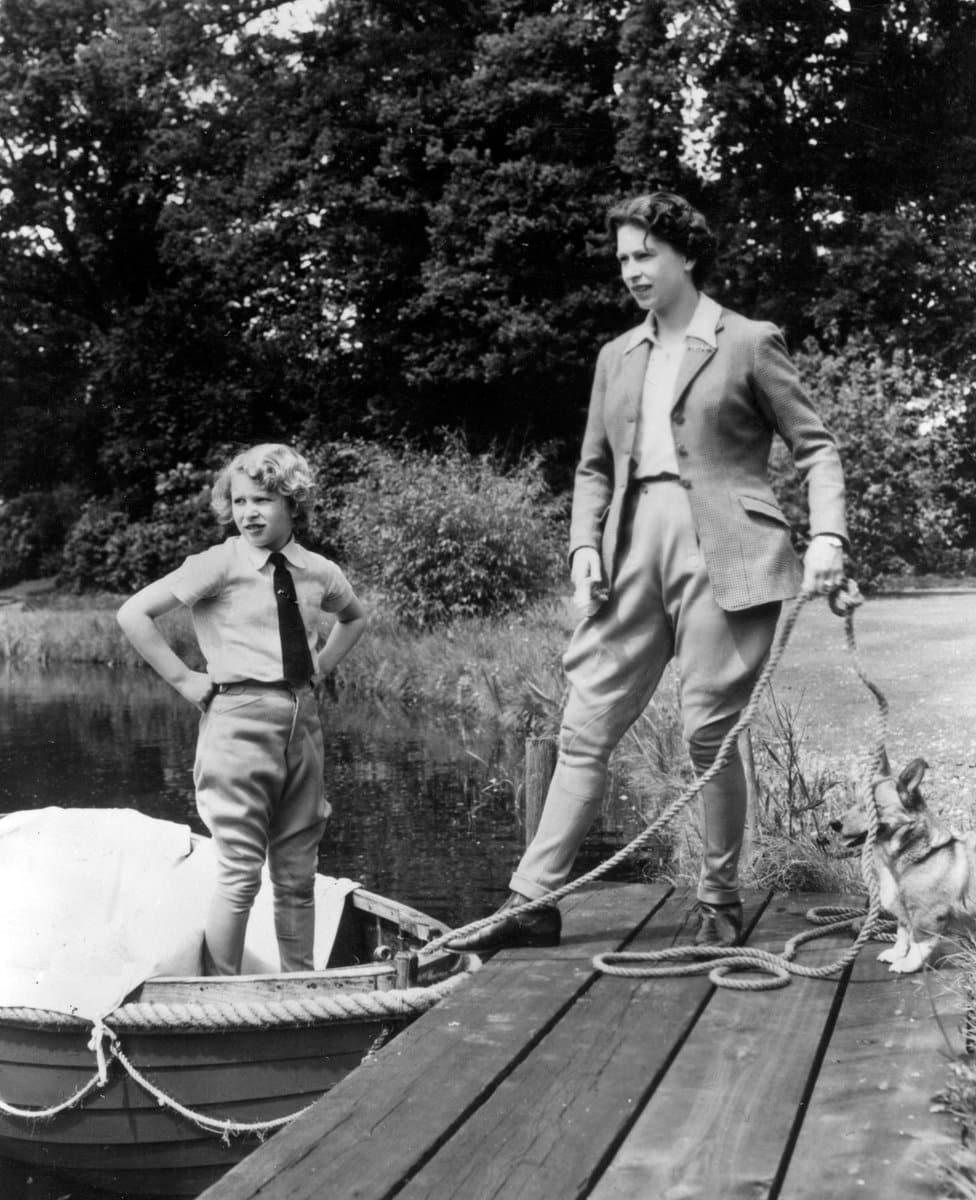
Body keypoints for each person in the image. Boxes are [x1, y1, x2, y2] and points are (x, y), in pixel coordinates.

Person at [448, 191, 847, 953]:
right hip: (630, 552)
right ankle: (531, 899)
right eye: (624, 258)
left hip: (726, 550)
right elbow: (593, 467)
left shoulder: (749, 341)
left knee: (708, 734)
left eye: (646, 255)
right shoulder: (617, 356)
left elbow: (816, 447)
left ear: (686, 255)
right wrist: (583, 547)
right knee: (584, 723)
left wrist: (827, 535)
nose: (632, 271)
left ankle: (719, 897)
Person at [117, 443, 367, 974]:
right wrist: (184, 679)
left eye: (263, 500)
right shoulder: (219, 563)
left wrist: (321, 665)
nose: (249, 513)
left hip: (301, 721)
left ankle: (300, 985)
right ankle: (221, 991)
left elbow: (354, 618)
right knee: (240, 872)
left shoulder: (317, 570)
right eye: (239, 501)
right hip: (237, 721)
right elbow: (134, 613)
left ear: (293, 504)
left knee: (298, 873)